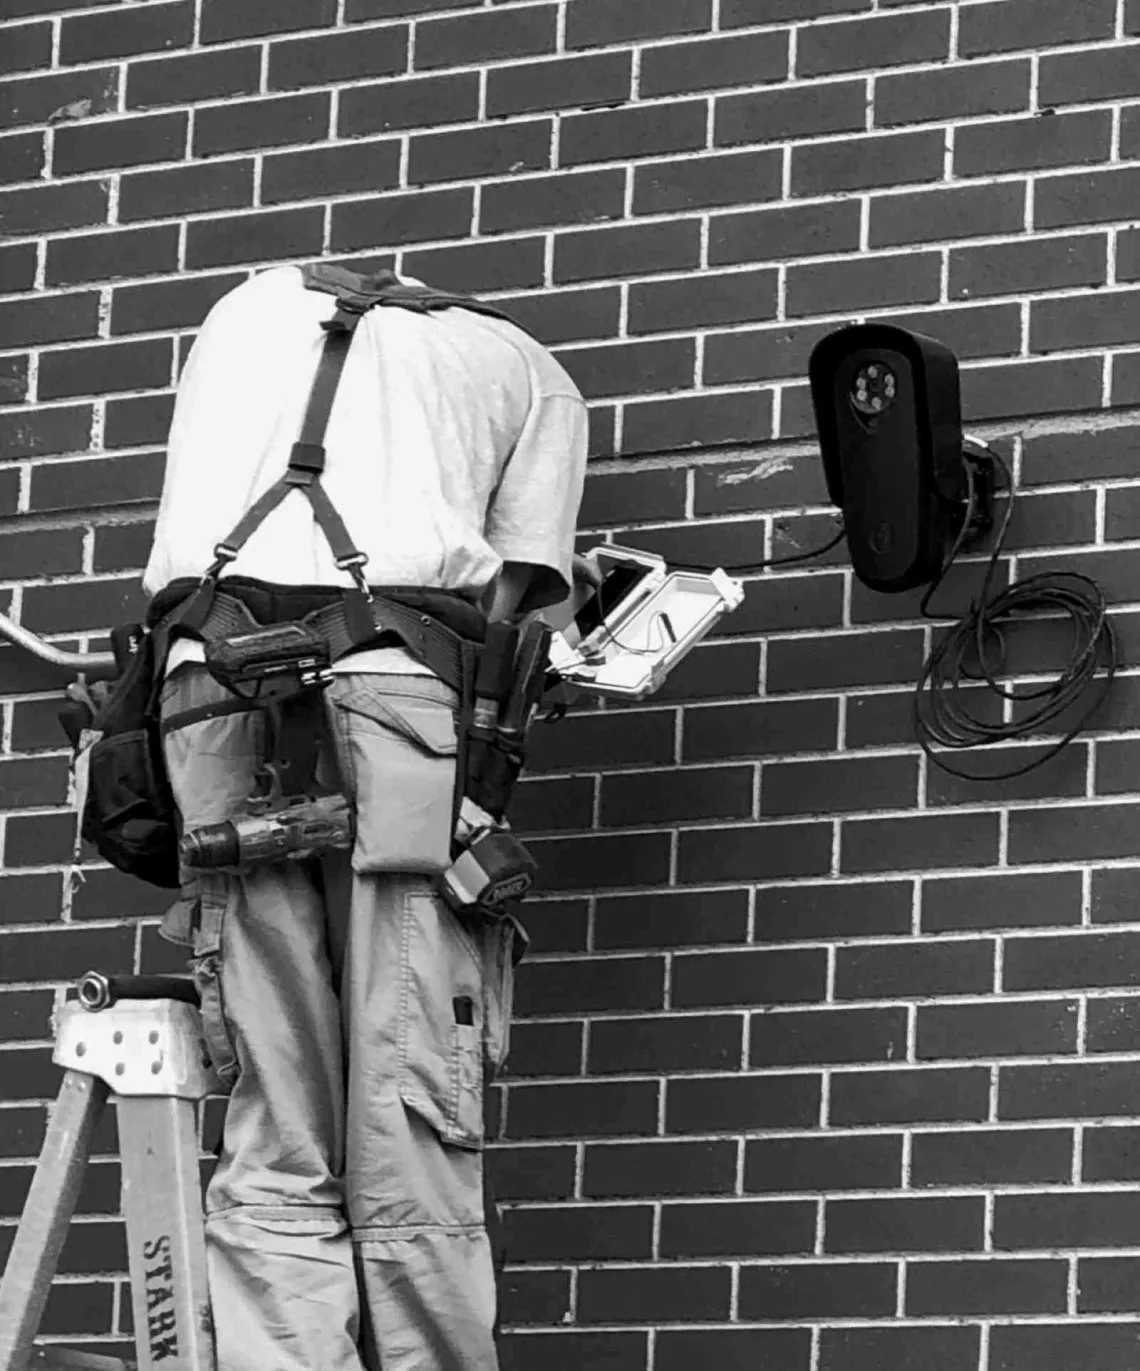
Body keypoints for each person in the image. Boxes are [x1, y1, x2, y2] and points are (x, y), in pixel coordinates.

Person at [141, 263, 589, 1371]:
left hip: (207, 684)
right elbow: (510, 614)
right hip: (391, 687)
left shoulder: (239, 312)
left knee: (273, 1093)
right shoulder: (529, 372)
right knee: (407, 1096)